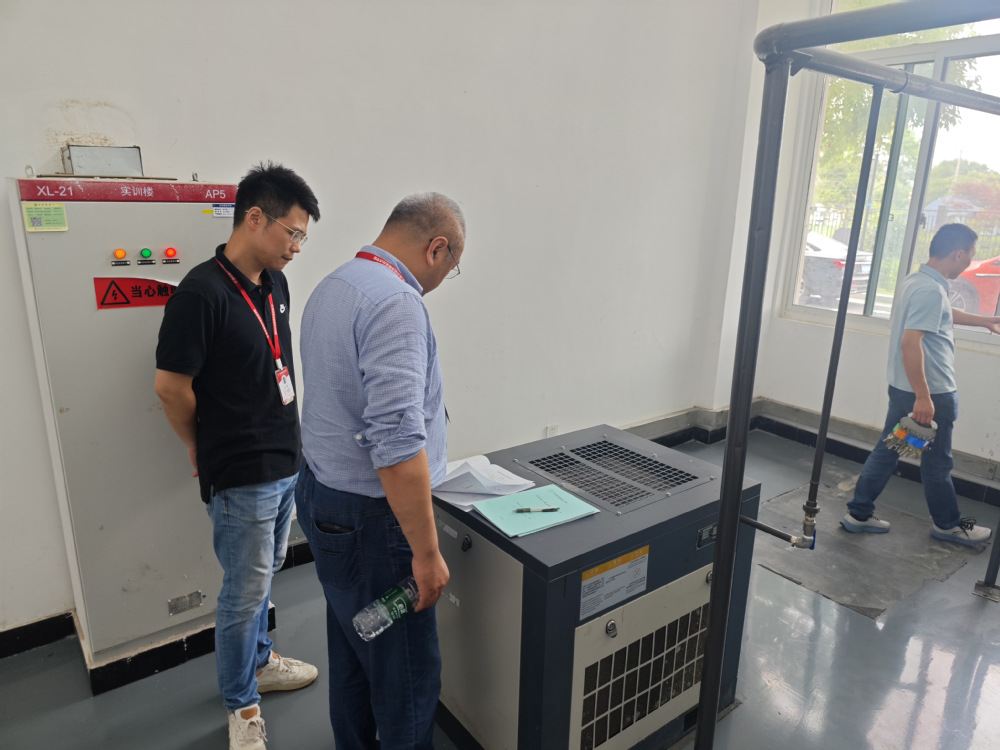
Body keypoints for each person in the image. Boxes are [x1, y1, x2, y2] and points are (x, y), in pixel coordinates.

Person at [154, 162, 321, 750]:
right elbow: (171, 387)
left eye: (303, 237)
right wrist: (196, 444)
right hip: (241, 473)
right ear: (255, 218)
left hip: (284, 462)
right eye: (292, 233)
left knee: (264, 580)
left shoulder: (275, 284)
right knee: (243, 595)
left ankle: (261, 662)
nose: (297, 247)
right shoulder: (200, 294)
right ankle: (242, 708)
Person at [296, 192, 463, 750]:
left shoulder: (336, 284)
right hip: (374, 523)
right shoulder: (396, 303)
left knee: (354, 644)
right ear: (437, 248)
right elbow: (395, 444)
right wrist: (427, 554)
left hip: (323, 496)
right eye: (452, 267)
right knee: (406, 679)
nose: (442, 280)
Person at [841, 223, 1000, 546]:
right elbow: (910, 343)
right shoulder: (930, 290)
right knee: (936, 462)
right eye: (970, 256)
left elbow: (943, 314)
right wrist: (924, 398)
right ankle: (948, 525)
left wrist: (985, 320)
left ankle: (858, 514)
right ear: (958, 254)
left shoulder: (918, 281)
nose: (969, 263)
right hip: (931, 395)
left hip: (905, 391)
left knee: (890, 450)